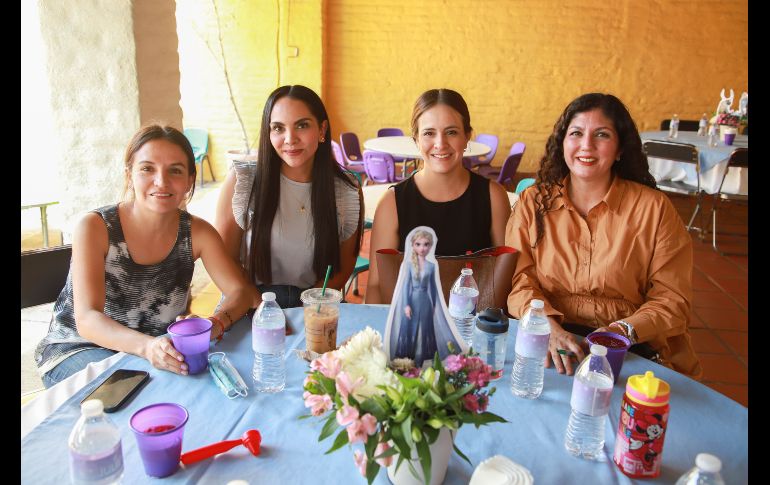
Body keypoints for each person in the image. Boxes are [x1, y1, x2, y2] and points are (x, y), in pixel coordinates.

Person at [35, 125, 257, 387]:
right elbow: (87, 320)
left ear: (189, 180)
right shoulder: (95, 227)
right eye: (147, 168)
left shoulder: (197, 233)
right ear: (129, 175)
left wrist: (217, 322)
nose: (161, 182)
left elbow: (240, 292)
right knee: (142, 394)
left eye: (175, 170)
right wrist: (147, 348)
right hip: (78, 350)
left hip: (157, 355)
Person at [505, 93, 702, 380]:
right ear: (562, 144)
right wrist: (545, 326)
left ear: (620, 148)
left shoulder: (654, 209)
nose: (587, 145)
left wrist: (621, 332)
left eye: (602, 135)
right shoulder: (533, 203)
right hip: (550, 339)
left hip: (630, 347)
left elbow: (673, 299)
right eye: (576, 133)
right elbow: (518, 279)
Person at [215, 85, 362, 309]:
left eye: (302, 125)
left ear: (322, 129)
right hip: (248, 304)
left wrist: (311, 312)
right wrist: (263, 309)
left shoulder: (345, 190)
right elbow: (223, 261)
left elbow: (340, 270)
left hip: (315, 305)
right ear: (268, 132)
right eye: (278, 128)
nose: (290, 138)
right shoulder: (243, 180)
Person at [366, 88, 511, 303]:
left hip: (472, 328)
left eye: (451, 132)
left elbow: (506, 279)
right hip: (410, 328)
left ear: (467, 136)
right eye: (429, 133)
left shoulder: (493, 197)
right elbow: (376, 287)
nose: (440, 143)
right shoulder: (392, 203)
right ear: (415, 139)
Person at [387, 228, 463, 366]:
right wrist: (406, 305)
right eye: (418, 244)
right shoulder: (409, 265)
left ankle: (422, 358)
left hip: (426, 302)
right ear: (413, 245)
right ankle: (408, 357)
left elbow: (433, 288)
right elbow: (405, 287)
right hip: (413, 300)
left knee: (425, 329)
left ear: (430, 246)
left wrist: (434, 305)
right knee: (411, 327)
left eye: (426, 244)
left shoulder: (432, 266)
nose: (422, 248)